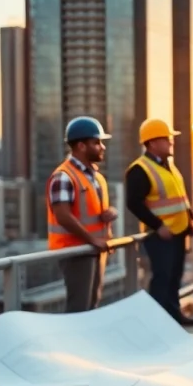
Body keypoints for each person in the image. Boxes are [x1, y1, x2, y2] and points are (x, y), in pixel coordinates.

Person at [125, 119, 193, 326]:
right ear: (151, 143)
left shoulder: (170, 167)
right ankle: (156, 324)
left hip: (179, 232)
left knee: (175, 277)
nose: (171, 143)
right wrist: (158, 226)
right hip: (160, 236)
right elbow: (133, 204)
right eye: (166, 139)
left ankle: (174, 317)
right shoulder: (140, 169)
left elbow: (181, 196)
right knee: (162, 279)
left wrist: (191, 219)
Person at [47, 116, 119, 313]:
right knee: (78, 308)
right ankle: (71, 345)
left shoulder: (96, 178)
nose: (102, 147)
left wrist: (107, 214)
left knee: (92, 305)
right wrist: (91, 239)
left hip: (94, 250)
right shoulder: (64, 176)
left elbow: (88, 211)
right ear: (81, 146)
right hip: (75, 251)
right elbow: (63, 216)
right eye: (97, 142)